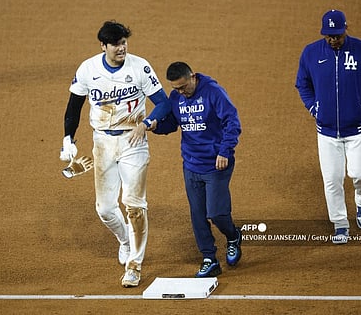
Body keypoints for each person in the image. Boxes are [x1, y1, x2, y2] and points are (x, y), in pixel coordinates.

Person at [59, 20, 170, 287]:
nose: (122, 48)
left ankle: (135, 264)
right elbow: (74, 106)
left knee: (134, 205)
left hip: (134, 141)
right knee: (106, 209)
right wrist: (68, 139)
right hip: (103, 144)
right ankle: (124, 241)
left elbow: (163, 102)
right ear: (103, 46)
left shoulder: (139, 66)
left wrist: (145, 124)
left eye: (124, 43)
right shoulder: (88, 69)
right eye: (116, 44)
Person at [295, 10, 361, 244]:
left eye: (337, 35)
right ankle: (340, 222)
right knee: (332, 179)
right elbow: (302, 83)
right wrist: (313, 108)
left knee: (360, 174)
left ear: (346, 29)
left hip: (357, 129)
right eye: (329, 36)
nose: (333, 39)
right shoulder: (311, 53)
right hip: (326, 132)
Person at [153, 62, 242, 277]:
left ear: (193, 76)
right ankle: (209, 258)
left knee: (217, 213)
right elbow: (173, 124)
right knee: (198, 215)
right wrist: (157, 126)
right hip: (191, 164)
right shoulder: (176, 97)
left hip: (216, 163)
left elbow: (232, 122)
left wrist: (224, 151)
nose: (181, 92)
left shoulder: (213, 92)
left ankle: (232, 236)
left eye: (184, 87)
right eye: (176, 89)